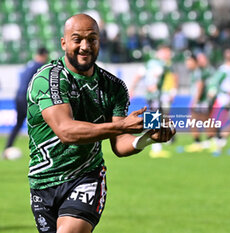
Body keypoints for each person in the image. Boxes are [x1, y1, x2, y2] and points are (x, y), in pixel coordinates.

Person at [27, 14, 175, 233]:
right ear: (64, 42)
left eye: (92, 39)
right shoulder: (49, 80)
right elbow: (66, 131)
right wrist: (122, 126)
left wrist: (147, 139)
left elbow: (120, 145)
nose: (85, 46)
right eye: (77, 39)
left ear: (99, 41)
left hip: (87, 177)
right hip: (42, 182)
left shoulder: (114, 87)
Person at [129, 45, 176, 158]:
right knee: (155, 118)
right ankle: (155, 148)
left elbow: (139, 75)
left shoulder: (149, 63)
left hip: (150, 95)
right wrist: (153, 87)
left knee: (156, 117)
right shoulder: (160, 64)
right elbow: (155, 77)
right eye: (167, 52)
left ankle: (158, 144)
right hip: (154, 94)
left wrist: (132, 88)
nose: (168, 55)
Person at [2, 47, 49, 159]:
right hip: (26, 98)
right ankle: (42, 150)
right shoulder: (39, 66)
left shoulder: (29, 64)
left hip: (18, 96)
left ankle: (7, 148)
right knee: (40, 123)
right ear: (44, 55)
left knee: (19, 124)